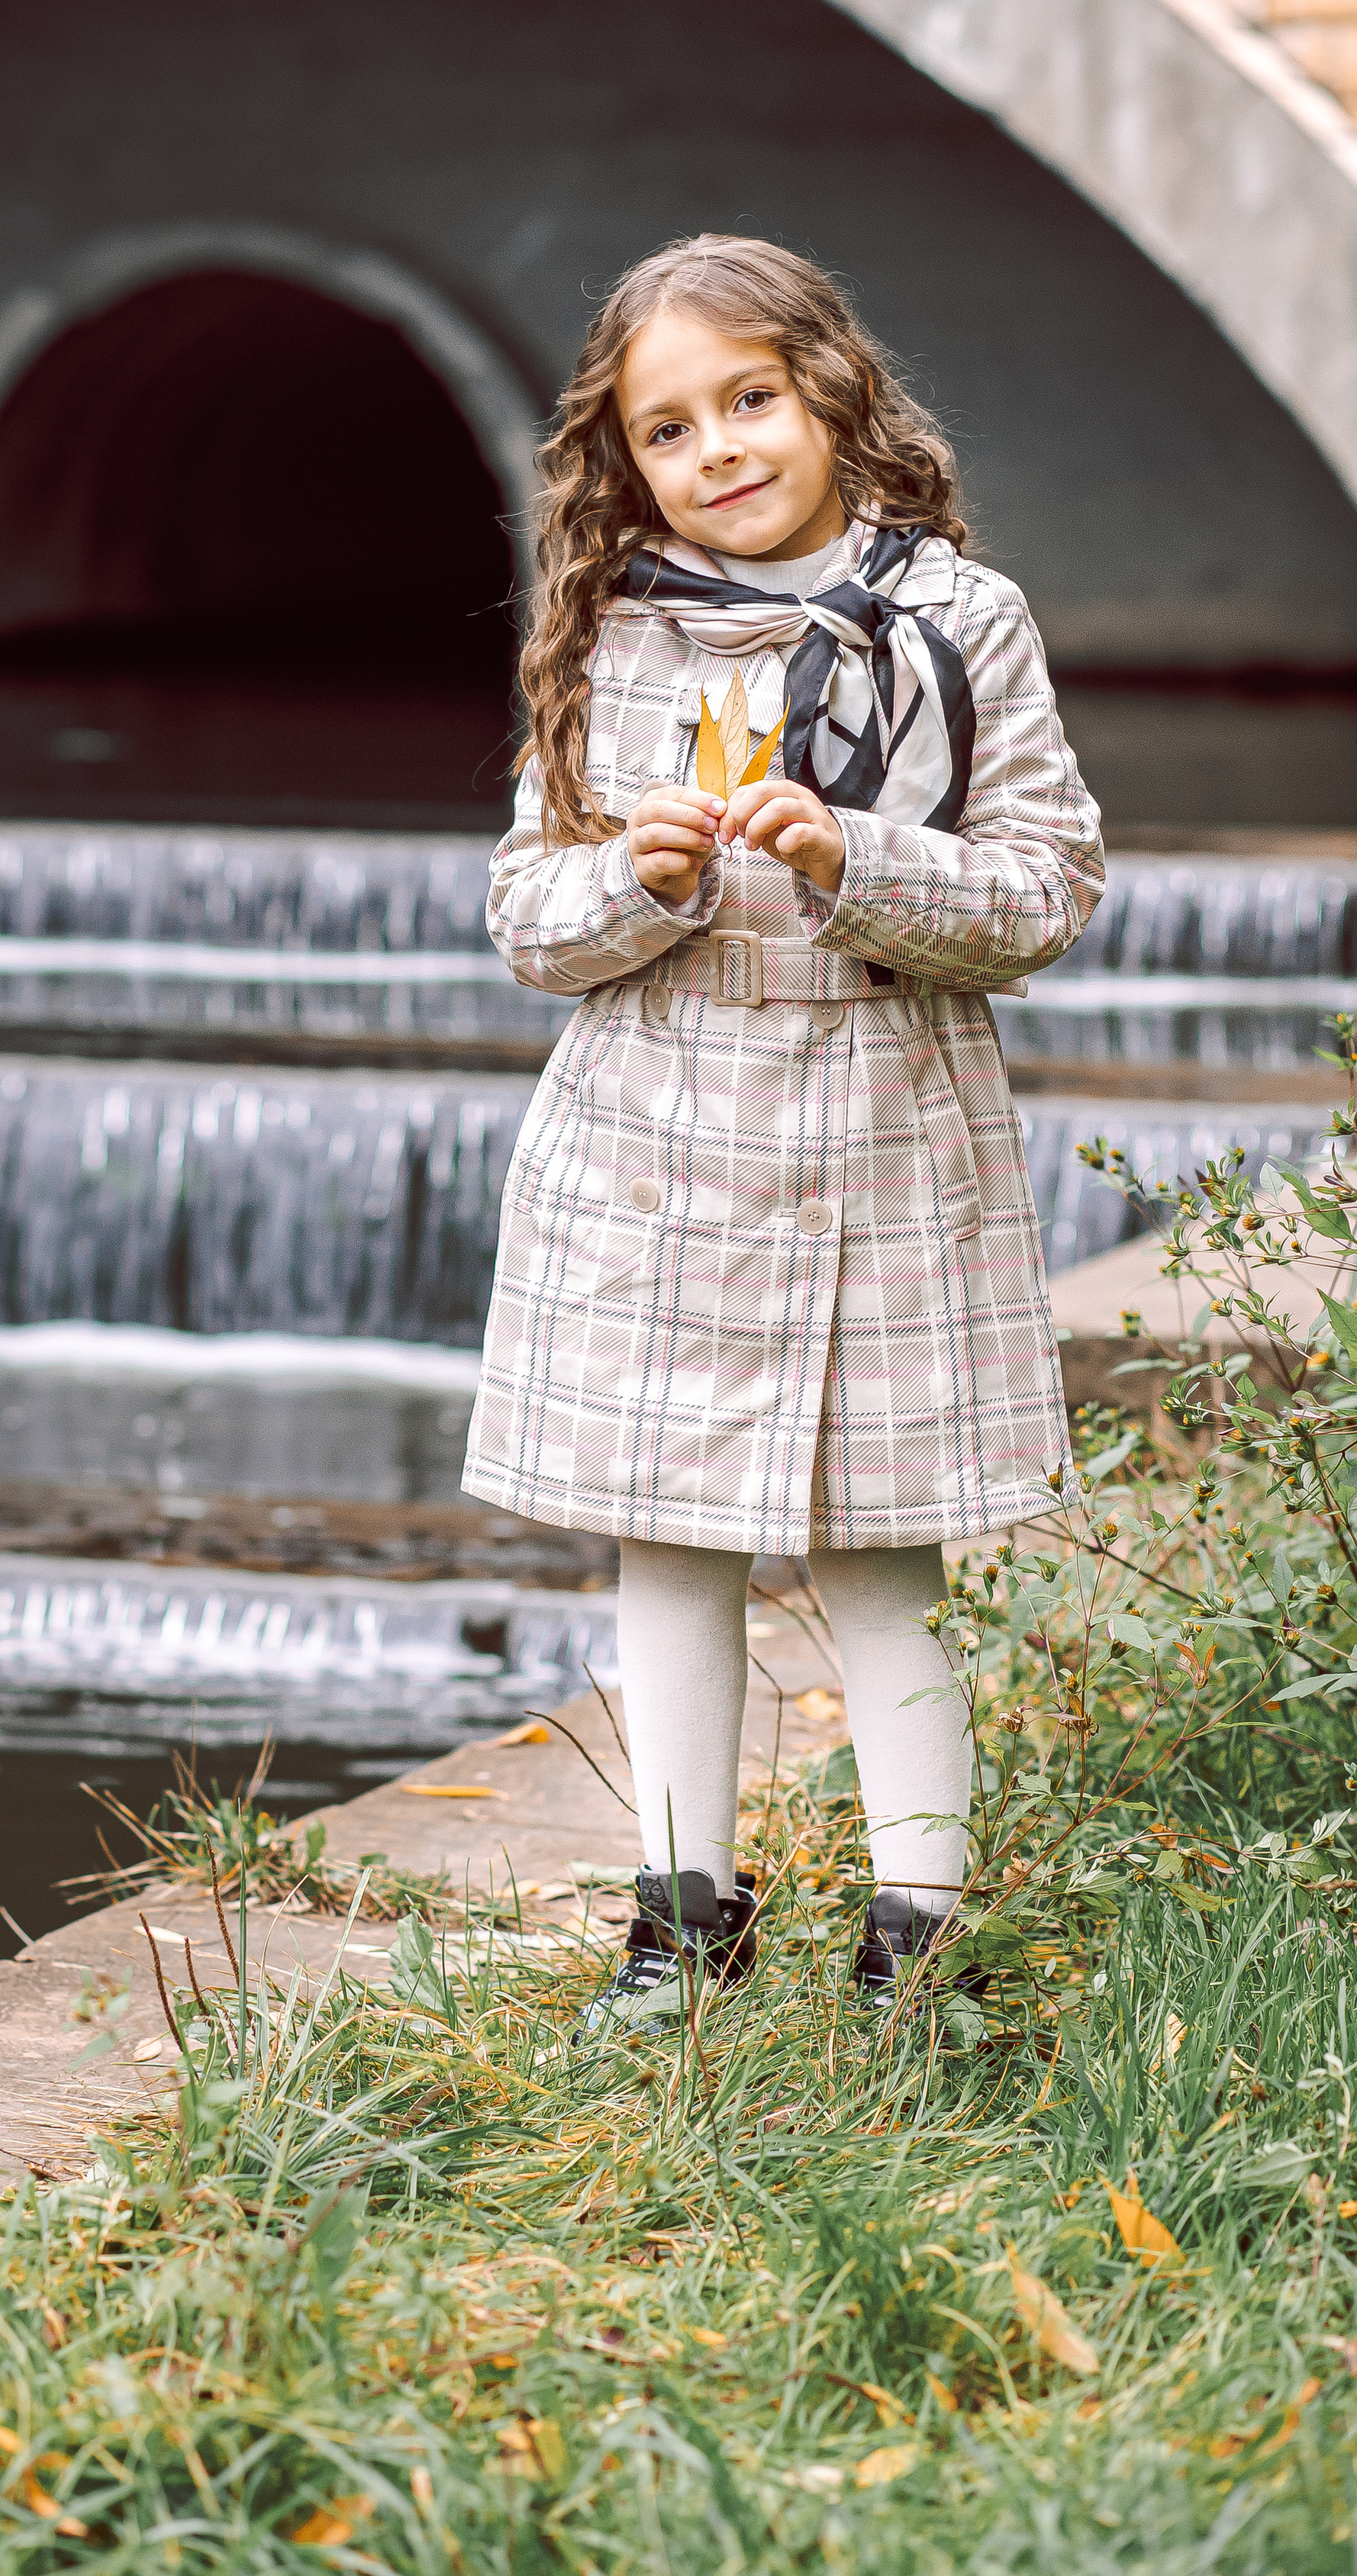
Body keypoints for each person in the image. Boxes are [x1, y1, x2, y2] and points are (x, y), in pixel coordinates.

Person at [461, 235, 1104, 2030]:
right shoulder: (613, 631)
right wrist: (637, 881)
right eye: (668, 429)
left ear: (828, 388)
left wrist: (852, 860)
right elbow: (528, 921)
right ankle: (682, 1916)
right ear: (627, 462)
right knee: (659, 1545)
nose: (718, 449)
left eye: (748, 400)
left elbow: (1047, 895)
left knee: (879, 1561)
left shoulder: (958, 624)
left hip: (880, 1148)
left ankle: (918, 1931)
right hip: (652, 1151)